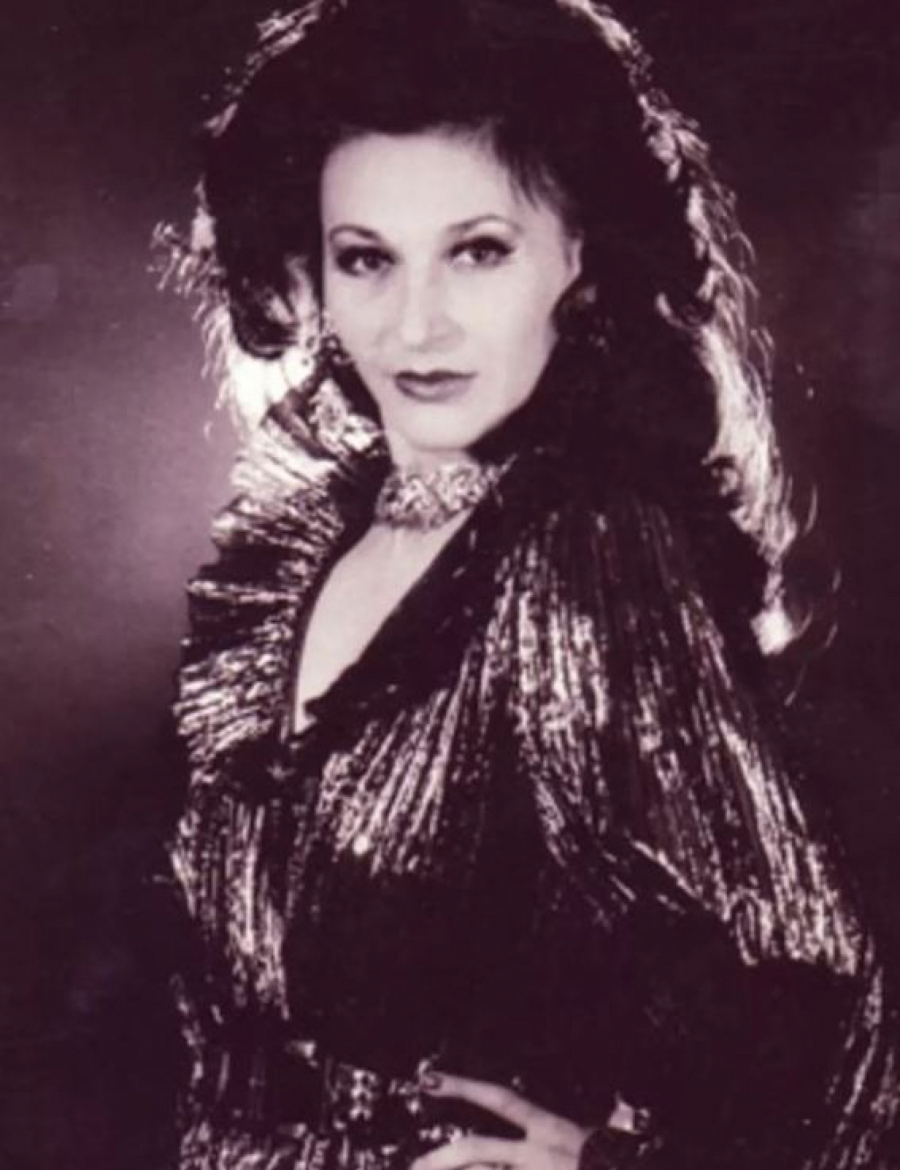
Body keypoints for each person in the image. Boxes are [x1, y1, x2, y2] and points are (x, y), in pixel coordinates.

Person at [158, 1, 900, 1167]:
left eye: (478, 251)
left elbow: (817, 992)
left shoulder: (592, 553)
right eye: (367, 258)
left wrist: (604, 1164)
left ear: (581, 256)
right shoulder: (311, 542)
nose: (417, 323)